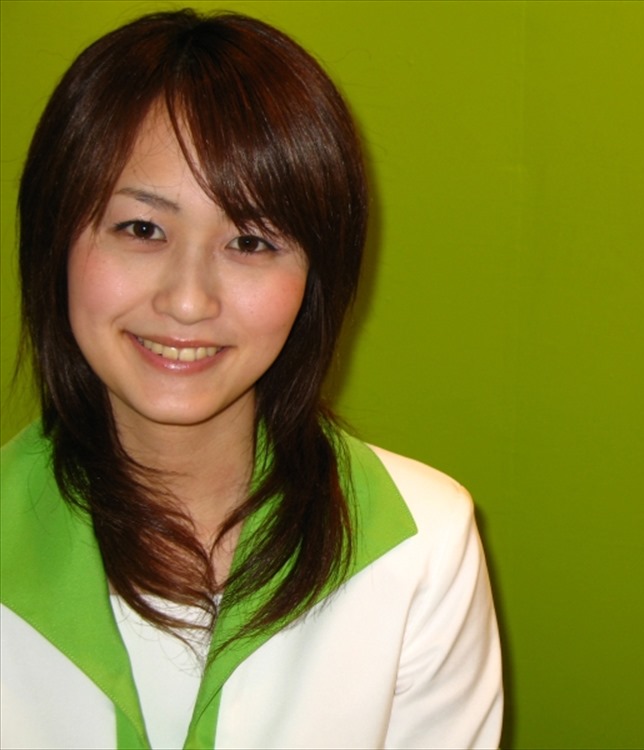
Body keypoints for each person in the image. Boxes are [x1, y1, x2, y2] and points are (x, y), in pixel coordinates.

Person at [0, 9, 502, 749]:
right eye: (142, 228)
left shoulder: (422, 546)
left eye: (250, 240)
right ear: (54, 240)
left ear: (314, 280)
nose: (187, 300)